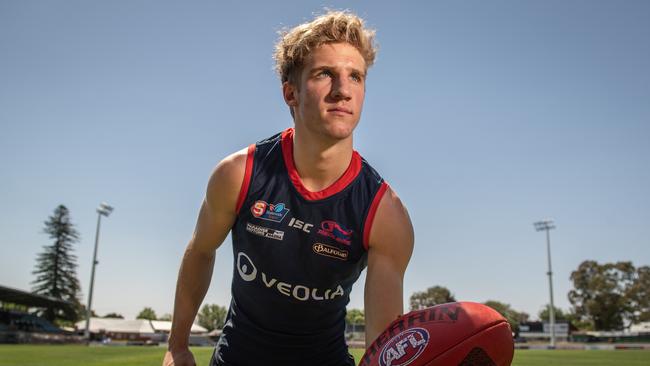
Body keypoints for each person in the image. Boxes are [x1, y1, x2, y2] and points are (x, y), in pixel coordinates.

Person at [162, 10, 413, 366]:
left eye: (355, 77)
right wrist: (177, 345)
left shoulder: (385, 212)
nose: (343, 90)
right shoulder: (239, 173)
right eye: (325, 74)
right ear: (291, 93)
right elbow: (201, 250)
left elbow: (382, 346)